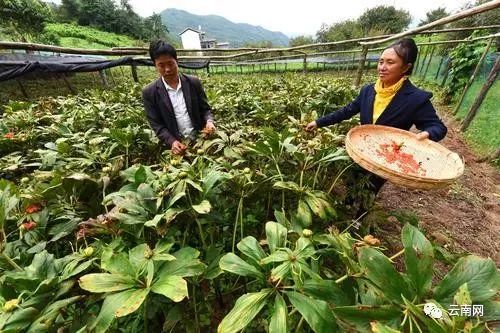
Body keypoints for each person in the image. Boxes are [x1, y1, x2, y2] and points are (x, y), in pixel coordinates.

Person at [305, 38, 447, 202]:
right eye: (381, 61)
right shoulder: (368, 90)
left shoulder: (415, 98)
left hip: (386, 157)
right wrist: (318, 122)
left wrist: (428, 133)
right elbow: (347, 111)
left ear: (406, 67)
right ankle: (347, 204)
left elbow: (437, 126)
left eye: (390, 62)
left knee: (371, 188)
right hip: (363, 148)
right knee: (353, 180)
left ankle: (360, 217)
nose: (382, 67)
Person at [142, 40, 216, 155]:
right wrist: (172, 141)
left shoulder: (194, 83)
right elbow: (157, 125)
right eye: (161, 65)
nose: (167, 69)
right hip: (176, 148)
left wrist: (209, 122)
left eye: (170, 63)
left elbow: (206, 109)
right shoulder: (149, 92)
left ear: (177, 61)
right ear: (155, 65)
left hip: (202, 141)